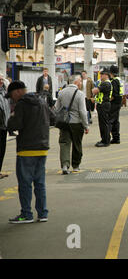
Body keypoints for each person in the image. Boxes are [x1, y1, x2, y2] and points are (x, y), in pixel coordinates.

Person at [7, 81, 55, 224]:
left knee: (25, 184)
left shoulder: (21, 104)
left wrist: (12, 116)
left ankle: (26, 214)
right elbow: (54, 118)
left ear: (17, 92)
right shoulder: (41, 101)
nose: (11, 99)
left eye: (11, 96)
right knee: (40, 183)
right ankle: (42, 213)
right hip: (42, 148)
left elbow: (15, 125)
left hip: (26, 149)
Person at [55, 75, 89, 174]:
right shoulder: (80, 94)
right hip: (76, 123)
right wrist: (86, 125)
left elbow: (57, 108)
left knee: (64, 143)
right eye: (80, 81)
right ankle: (76, 166)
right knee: (77, 144)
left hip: (64, 123)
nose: (81, 83)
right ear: (76, 82)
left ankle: (65, 166)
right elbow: (82, 111)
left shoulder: (61, 92)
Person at [92, 70, 112, 147]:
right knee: (103, 123)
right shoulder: (105, 83)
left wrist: (94, 89)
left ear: (106, 75)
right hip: (103, 104)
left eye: (102, 74)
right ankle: (104, 139)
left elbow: (95, 91)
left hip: (104, 105)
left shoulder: (105, 83)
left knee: (104, 124)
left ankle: (105, 141)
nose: (100, 76)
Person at [109, 66, 123, 144]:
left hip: (114, 103)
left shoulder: (114, 81)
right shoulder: (119, 80)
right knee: (115, 121)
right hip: (118, 103)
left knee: (111, 121)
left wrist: (108, 100)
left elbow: (114, 94)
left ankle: (108, 138)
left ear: (111, 73)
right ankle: (116, 138)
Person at [0, 74, 11, 175]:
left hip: (4, 126)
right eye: (0, 80)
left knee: (2, 149)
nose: (1, 81)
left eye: (2, 79)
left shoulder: (4, 92)